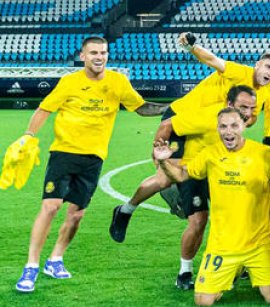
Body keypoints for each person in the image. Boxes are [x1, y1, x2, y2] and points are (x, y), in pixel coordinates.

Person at [14, 36, 167, 294]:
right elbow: (44, 109)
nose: (99, 57)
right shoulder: (69, 82)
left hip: (94, 158)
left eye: (103, 52)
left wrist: (177, 108)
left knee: (77, 214)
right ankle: (31, 266)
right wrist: (28, 136)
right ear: (82, 56)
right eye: (94, 52)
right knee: (51, 207)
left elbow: (141, 108)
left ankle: (55, 260)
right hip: (64, 153)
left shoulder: (118, 81)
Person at [110, 85, 258, 290]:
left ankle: (236, 265)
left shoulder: (244, 117)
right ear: (229, 104)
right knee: (193, 214)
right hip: (190, 165)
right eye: (244, 107)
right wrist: (157, 153)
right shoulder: (207, 117)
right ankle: (184, 271)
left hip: (218, 169)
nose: (249, 113)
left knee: (236, 214)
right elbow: (168, 125)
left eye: (252, 108)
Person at [153, 107, 270, 306]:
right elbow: (181, 175)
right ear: (217, 128)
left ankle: (246, 271)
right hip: (221, 246)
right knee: (202, 301)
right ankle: (231, 273)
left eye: (234, 125)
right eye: (223, 126)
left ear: (244, 126)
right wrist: (164, 162)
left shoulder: (263, 154)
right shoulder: (210, 154)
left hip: (258, 245)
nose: (228, 131)